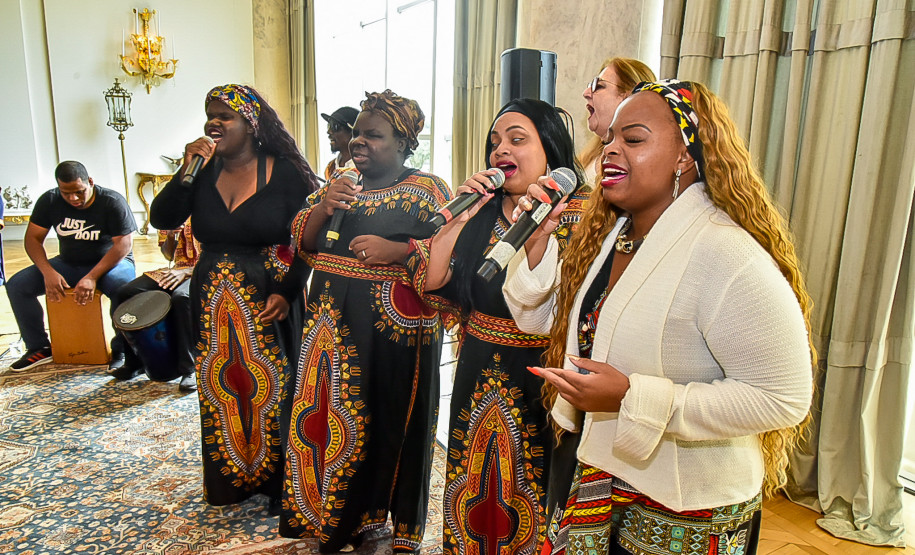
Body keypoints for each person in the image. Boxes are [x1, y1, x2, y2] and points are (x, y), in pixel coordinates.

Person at [503, 80, 815, 554]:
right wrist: (538, 241)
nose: (611, 150)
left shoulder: (726, 253)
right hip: (600, 471)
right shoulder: (615, 237)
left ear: (684, 157)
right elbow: (542, 322)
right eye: (610, 138)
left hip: (686, 504)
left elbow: (783, 398)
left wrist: (632, 397)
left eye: (633, 139)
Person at [403, 98, 587, 553]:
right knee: (477, 483)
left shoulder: (583, 217)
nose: (500, 149)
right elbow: (433, 282)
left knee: (535, 486)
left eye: (517, 139)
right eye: (495, 142)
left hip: (545, 373)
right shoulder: (480, 211)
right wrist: (455, 221)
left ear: (550, 150)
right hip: (479, 365)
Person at [282, 90, 451, 553]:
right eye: (356, 133)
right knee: (330, 418)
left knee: (386, 423)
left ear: (404, 143)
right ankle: (335, 515)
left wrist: (398, 250)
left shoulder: (428, 190)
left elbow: (450, 251)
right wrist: (323, 206)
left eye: (373, 135)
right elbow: (303, 241)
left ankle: (381, 520)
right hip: (329, 326)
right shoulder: (340, 183)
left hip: (393, 335)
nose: (359, 142)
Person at [149, 84, 318, 509]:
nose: (214, 122)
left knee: (275, 385)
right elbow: (162, 217)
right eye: (210, 114)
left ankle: (280, 483)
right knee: (221, 384)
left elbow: (308, 240)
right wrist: (185, 171)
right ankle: (232, 479)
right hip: (213, 292)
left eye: (225, 116)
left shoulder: (285, 172)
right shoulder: (200, 171)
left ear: (251, 124)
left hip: (270, 290)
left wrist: (288, 290)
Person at [5, 161, 137, 372]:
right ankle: (39, 347)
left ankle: (122, 350)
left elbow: (123, 245)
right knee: (17, 285)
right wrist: (48, 272)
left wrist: (92, 277)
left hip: (111, 262)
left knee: (124, 288)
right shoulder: (50, 200)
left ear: (90, 182)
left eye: (79, 191)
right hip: (68, 262)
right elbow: (33, 239)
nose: (73, 198)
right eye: (66, 193)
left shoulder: (111, 201)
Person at [111, 220, 199, 391]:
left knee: (181, 297)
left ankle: (190, 369)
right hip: (176, 270)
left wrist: (187, 271)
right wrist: (171, 236)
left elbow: (219, 256)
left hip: (204, 271)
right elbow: (168, 255)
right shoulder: (170, 213)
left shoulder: (210, 210)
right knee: (125, 293)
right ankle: (134, 362)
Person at [579, 58, 655, 182]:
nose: (586, 93)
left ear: (629, 97)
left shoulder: (640, 164)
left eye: (598, 86)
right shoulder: (590, 155)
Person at [321, 105, 359, 181]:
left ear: (353, 132)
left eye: (334, 126)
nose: (329, 131)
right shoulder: (330, 168)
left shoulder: (366, 168)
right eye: (329, 126)